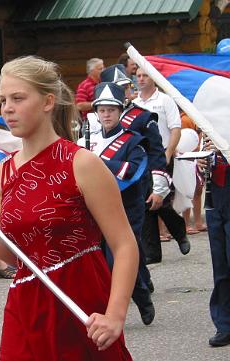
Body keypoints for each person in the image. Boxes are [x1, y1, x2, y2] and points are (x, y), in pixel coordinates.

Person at [0, 55, 138, 360]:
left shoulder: (82, 163)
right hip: (26, 304)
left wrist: (115, 315)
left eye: (18, 98)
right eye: (4, 99)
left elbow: (124, 244)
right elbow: (13, 254)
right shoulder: (4, 170)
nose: (7, 107)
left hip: (80, 297)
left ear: (47, 101)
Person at [79, 81, 154, 326]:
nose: (106, 114)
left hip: (126, 209)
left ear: (120, 111)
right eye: (102, 110)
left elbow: (130, 173)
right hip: (95, 210)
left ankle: (142, 297)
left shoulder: (134, 141)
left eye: (111, 109)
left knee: (118, 260)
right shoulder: (86, 140)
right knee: (98, 263)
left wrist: (95, 162)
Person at [134, 68, 190, 264]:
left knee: (161, 199)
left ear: (153, 78)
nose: (140, 79)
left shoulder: (164, 100)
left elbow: (176, 129)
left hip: (162, 154)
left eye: (145, 75)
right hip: (142, 159)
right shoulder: (134, 103)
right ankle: (153, 251)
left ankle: (179, 231)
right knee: (147, 201)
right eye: (138, 75)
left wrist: (168, 153)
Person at [198, 136, 230, 347]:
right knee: (221, 266)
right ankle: (225, 324)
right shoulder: (209, 124)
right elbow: (202, 162)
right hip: (217, 195)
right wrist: (201, 163)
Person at [75, 58, 104, 124]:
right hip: (90, 122)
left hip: (104, 119)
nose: (103, 71)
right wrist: (97, 103)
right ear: (92, 71)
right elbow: (79, 105)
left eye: (103, 68)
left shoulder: (103, 83)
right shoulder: (84, 85)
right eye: (100, 69)